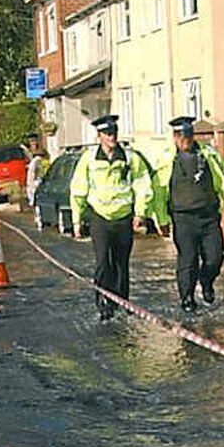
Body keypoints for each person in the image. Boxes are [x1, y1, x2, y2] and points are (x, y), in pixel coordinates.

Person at [69, 115, 154, 321]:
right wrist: (77, 220)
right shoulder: (89, 158)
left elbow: (142, 185)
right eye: (108, 133)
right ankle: (103, 303)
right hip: (99, 217)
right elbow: (78, 188)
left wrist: (140, 213)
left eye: (114, 132)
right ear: (99, 136)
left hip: (123, 217)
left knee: (121, 264)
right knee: (102, 263)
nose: (112, 136)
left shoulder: (130, 157)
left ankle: (122, 302)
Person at [165, 116, 224, 312]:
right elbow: (157, 190)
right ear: (174, 137)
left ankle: (206, 281)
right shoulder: (166, 158)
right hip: (183, 218)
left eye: (188, 135)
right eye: (181, 136)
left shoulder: (208, 154)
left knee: (215, 257)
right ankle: (187, 299)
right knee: (188, 259)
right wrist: (159, 218)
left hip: (208, 216)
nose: (185, 140)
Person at [25, 137, 48, 207]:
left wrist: (33, 183)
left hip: (35, 183)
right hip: (36, 183)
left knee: (36, 203)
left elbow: (36, 173)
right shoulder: (38, 161)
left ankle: (38, 216)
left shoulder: (37, 161)